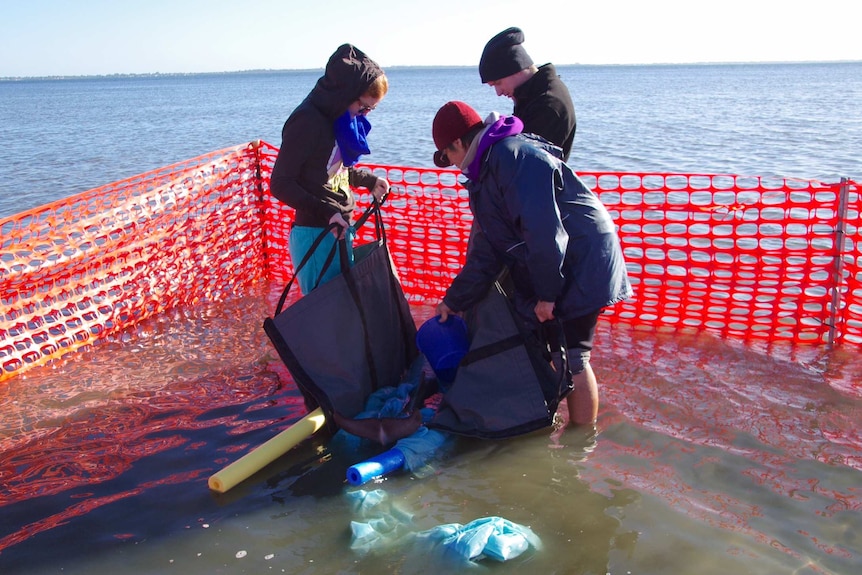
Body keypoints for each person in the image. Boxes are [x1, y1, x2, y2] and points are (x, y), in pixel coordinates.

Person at [431, 100, 632, 426]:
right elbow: (487, 252)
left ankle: (578, 445)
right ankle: (556, 427)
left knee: (573, 359)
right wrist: (453, 301)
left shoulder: (511, 158)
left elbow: (545, 234)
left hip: (584, 259)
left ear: (459, 143)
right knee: (557, 352)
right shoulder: (485, 169)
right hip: (565, 259)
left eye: (447, 155)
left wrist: (548, 295)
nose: (451, 164)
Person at [270, 43, 390, 294]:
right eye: (364, 107)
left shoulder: (340, 117)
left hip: (340, 230)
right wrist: (326, 212)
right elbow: (280, 183)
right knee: (323, 323)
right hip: (315, 235)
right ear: (346, 94)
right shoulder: (307, 120)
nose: (365, 115)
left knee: (346, 318)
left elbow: (331, 170)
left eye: (372, 110)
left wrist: (369, 181)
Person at [479, 27, 577, 162]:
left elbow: (524, 166)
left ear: (515, 67)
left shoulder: (548, 104)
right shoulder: (533, 96)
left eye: (498, 83)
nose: (498, 92)